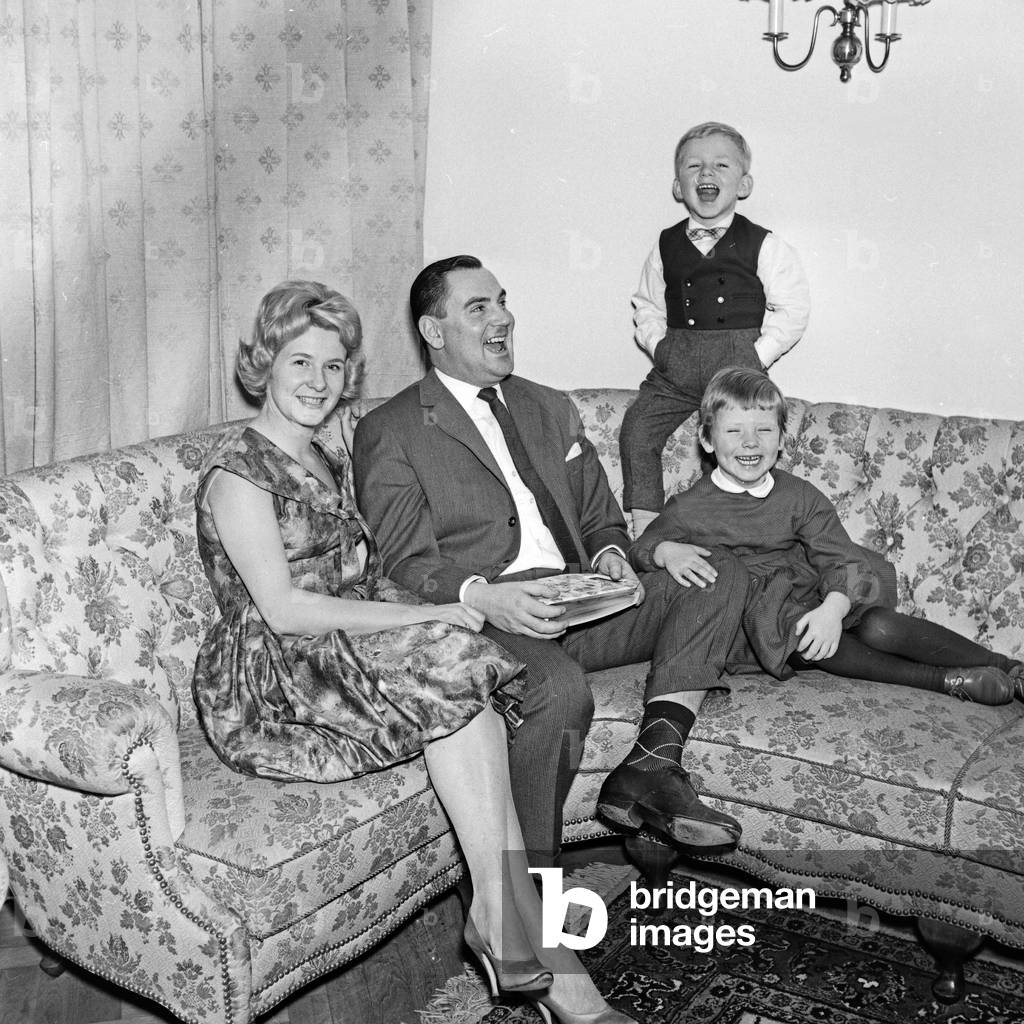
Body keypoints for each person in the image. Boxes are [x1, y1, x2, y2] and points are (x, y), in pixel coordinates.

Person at [192, 281, 644, 1024]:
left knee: (464, 668)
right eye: (299, 362)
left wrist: (436, 618)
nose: (317, 382)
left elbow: (366, 575)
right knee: (454, 654)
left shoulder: (323, 458)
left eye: (334, 367)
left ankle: (514, 929)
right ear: (261, 366)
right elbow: (284, 608)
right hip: (273, 672)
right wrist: (444, 609)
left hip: (335, 646)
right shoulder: (240, 471)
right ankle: (521, 932)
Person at [352, 255, 751, 877]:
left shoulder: (549, 406)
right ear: (434, 332)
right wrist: (486, 598)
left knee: (717, 574)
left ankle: (649, 766)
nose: (503, 317)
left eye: (503, 300)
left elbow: (599, 517)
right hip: (492, 613)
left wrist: (612, 556)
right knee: (559, 694)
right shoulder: (391, 428)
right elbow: (401, 560)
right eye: (478, 307)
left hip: (582, 599)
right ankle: (526, 887)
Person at [630, 366, 1024, 703]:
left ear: (782, 440)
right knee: (802, 638)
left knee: (877, 625)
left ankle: (1008, 667)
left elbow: (839, 556)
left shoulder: (798, 494)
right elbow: (642, 547)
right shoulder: (688, 506)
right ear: (707, 440)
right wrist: (666, 551)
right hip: (750, 624)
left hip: (810, 594)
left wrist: (833, 610)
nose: (750, 442)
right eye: (733, 431)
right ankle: (947, 682)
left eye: (764, 430)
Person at [620, 121, 811, 537]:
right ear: (677, 186)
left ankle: (731, 528)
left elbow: (792, 308)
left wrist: (756, 357)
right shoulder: (665, 244)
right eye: (694, 166)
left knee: (738, 442)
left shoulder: (765, 244)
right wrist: (661, 348)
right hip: (676, 366)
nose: (706, 174)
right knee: (638, 428)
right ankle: (647, 528)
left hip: (738, 368)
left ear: (743, 184)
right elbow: (646, 304)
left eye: (720, 165)